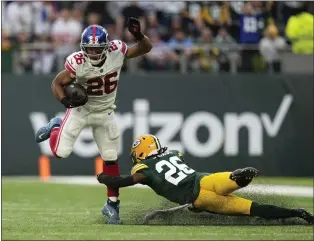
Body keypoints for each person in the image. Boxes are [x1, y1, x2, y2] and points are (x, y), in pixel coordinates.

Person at [35, 17, 152, 224]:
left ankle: (112, 205)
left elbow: (145, 48)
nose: (94, 53)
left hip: (106, 111)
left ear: (107, 47)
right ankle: (56, 125)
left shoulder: (116, 51)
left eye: (98, 49)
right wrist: (65, 101)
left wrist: (138, 35)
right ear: (83, 48)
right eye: (90, 49)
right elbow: (57, 83)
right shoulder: (77, 62)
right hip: (81, 110)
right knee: (60, 152)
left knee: (110, 156)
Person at [97, 134, 314, 225]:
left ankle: (297, 214)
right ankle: (238, 179)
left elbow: (122, 181)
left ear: (141, 152)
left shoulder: (144, 169)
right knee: (228, 179)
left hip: (198, 198)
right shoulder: (173, 154)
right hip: (204, 180)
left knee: (251, 208)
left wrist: (103, 177)